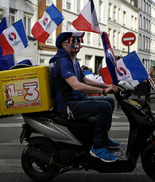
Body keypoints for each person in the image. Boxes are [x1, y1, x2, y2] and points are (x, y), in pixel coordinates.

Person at [49, 28, 121, 162]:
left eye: (78, 40)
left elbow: (86, 80)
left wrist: (108, 86)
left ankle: (103, 137)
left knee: (109, 102)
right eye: (73, 40)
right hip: (67, 106)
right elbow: (76, 85)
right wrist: (104, 91)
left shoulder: (74, 61)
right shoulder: (63, 61)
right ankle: (98, 147)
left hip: (77, 101)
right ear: (64, 45)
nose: (77, 43)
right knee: (104, 106)